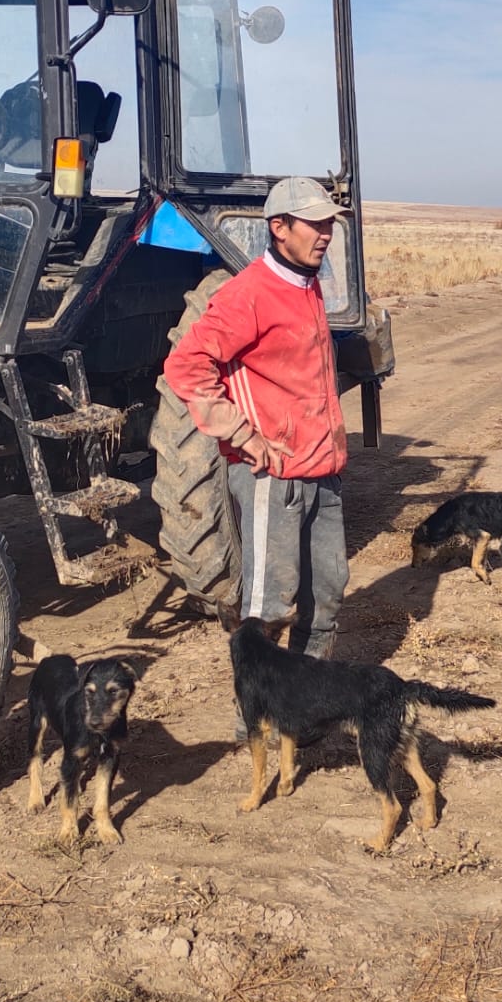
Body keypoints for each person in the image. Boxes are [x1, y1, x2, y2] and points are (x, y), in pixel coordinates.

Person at [163, 177, 351, 669]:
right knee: (268, 608)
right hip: (276, 479)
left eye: (329, 222)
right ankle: (259, 724)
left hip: (322, 472)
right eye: (314, 223)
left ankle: (309, 697)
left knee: (328, 593)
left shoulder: (307, 287)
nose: (326, 232)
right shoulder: (247, 294)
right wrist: (243, 434)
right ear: (279, 227)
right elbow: (185, 367)